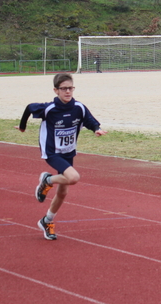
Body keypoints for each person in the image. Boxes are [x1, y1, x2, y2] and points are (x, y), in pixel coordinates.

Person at [17, 73, 107, 240]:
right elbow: (30, 107)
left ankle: (47, 220)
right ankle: (47, 180)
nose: (68, 92)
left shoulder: (78, 107)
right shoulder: (49, 109)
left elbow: (89, 120)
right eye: (64, 89)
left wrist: (96, 129)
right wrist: (23, 126)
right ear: (56, 90)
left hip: (68, 151)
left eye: (70, 88)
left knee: (63, 192)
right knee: (73, 178)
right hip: (52, 151)